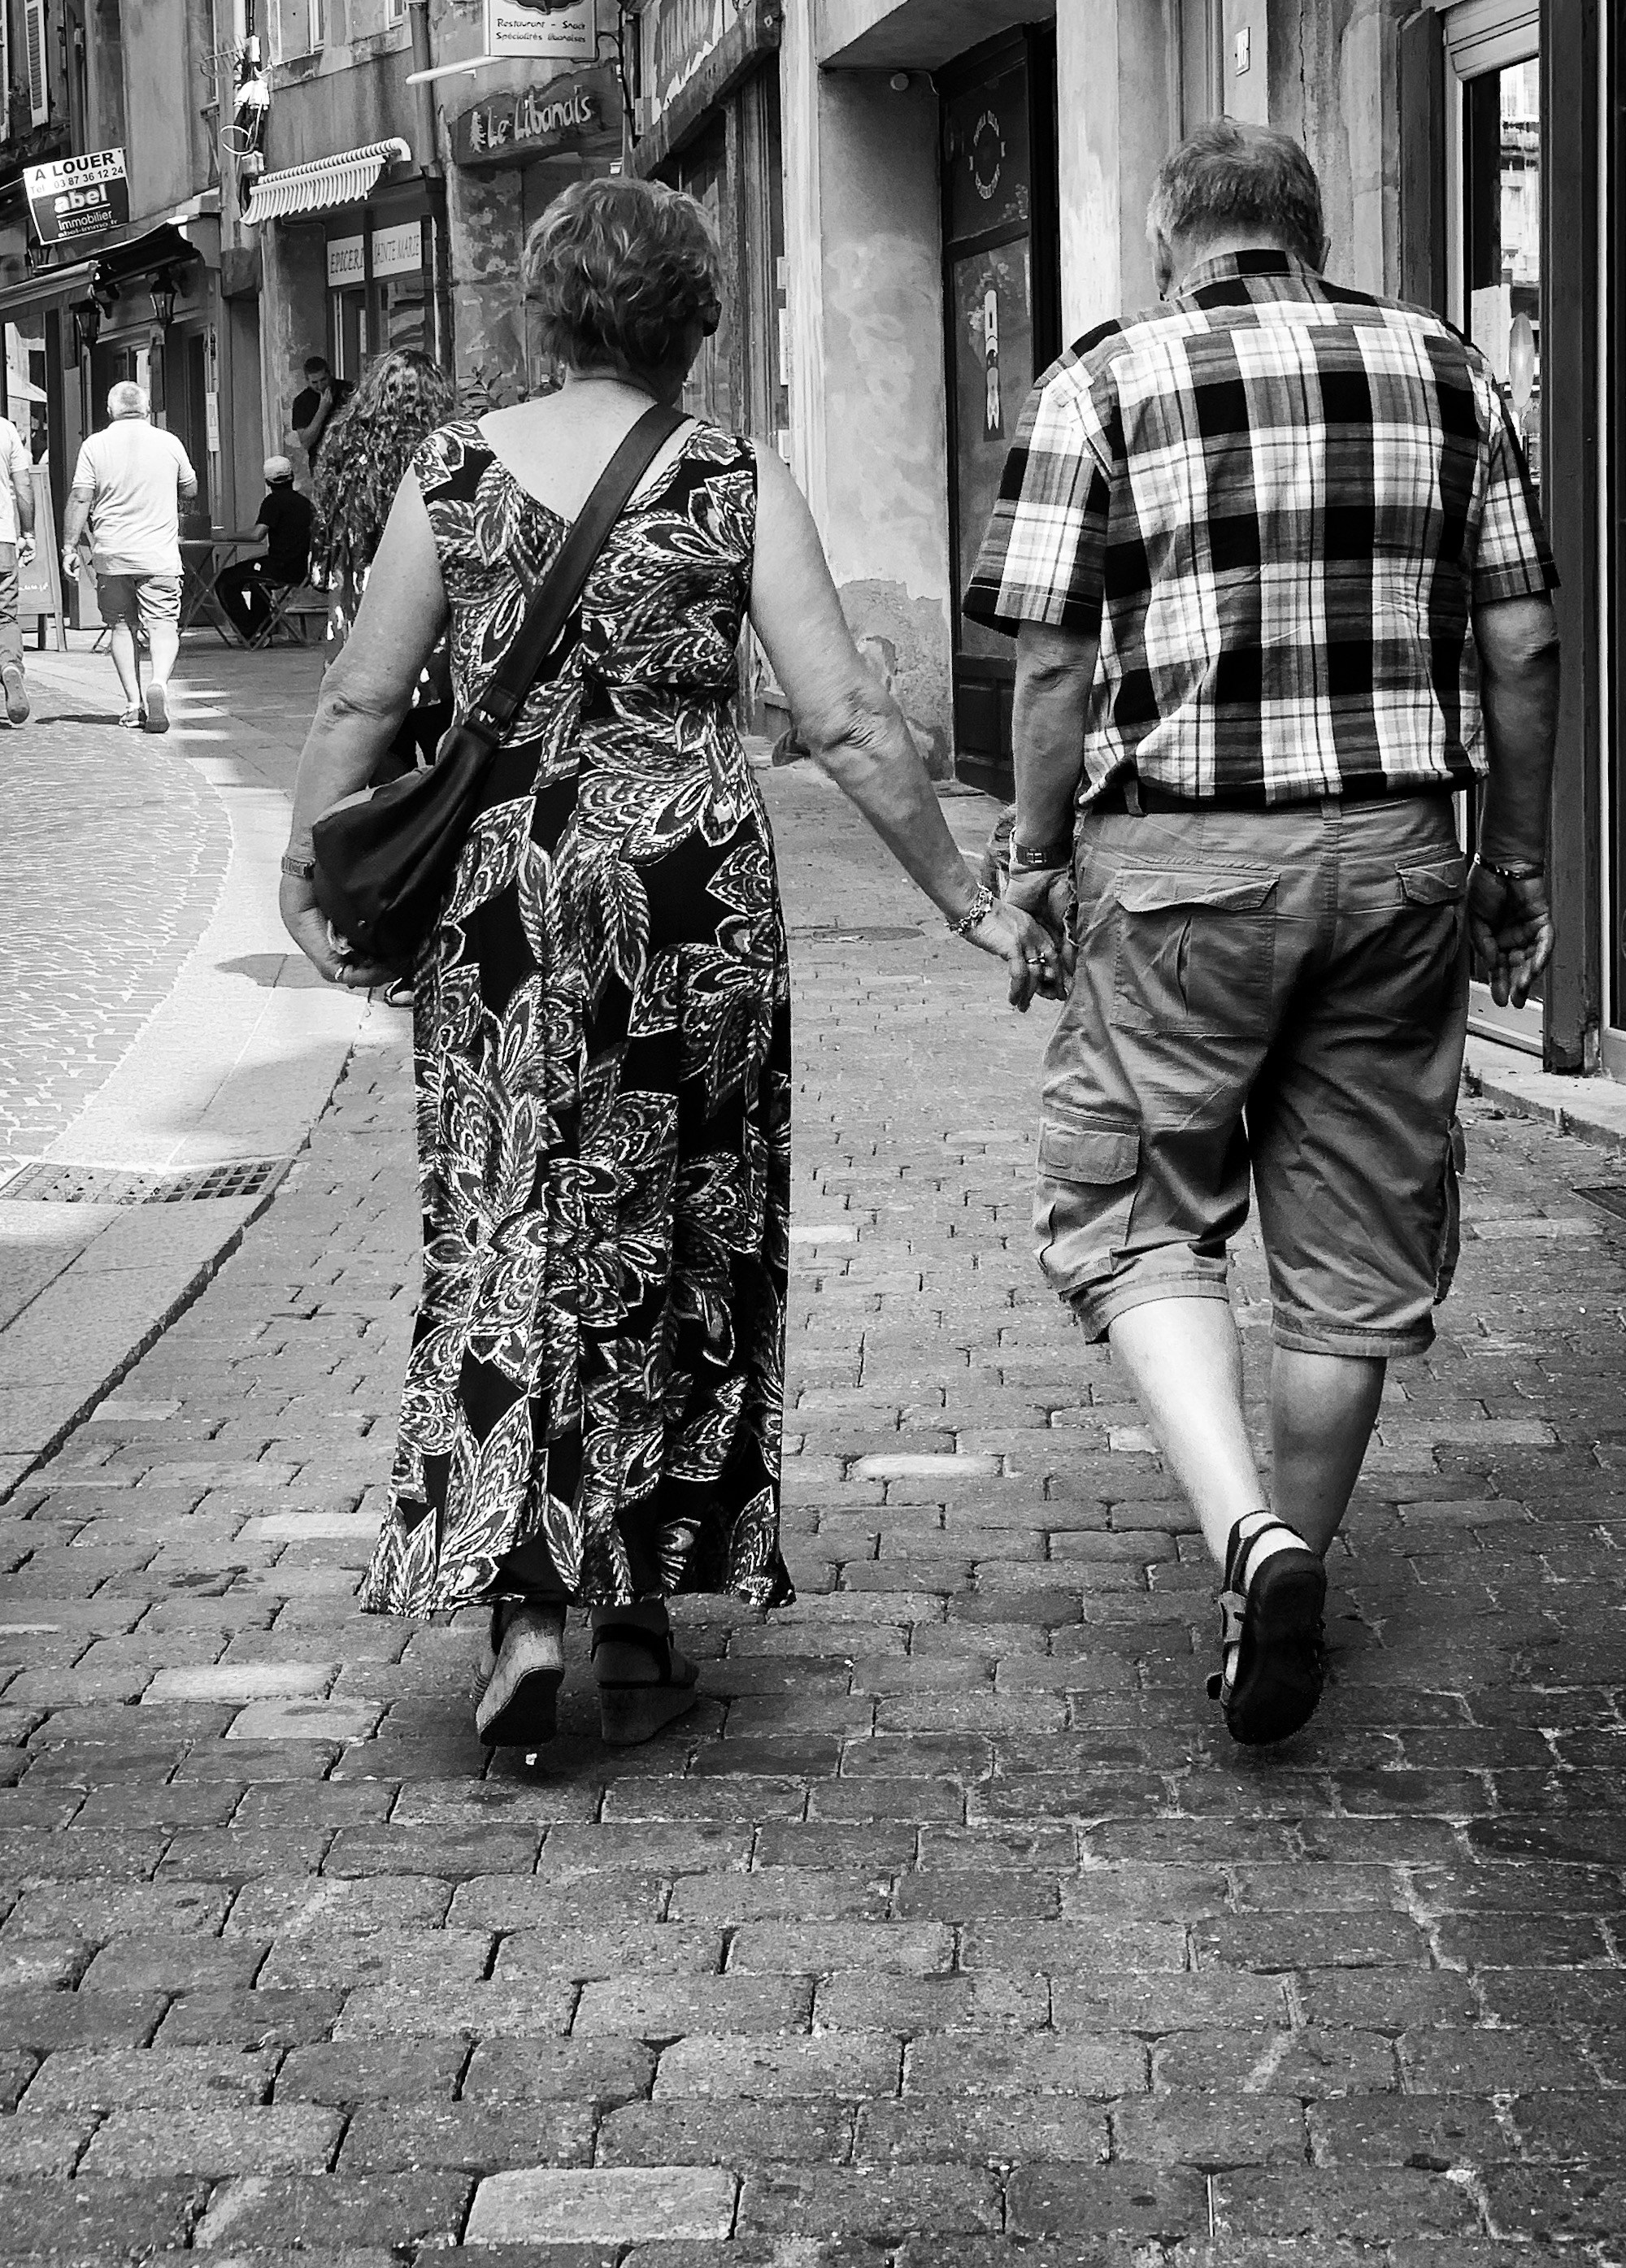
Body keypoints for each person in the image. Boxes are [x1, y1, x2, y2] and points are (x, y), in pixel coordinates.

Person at [278, 176, 1053, 1757]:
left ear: (547, 315)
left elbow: (365, 700)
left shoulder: (450, 471)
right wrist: (961, 893)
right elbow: (841, 719)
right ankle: (635, 1604)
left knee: (511, 1221)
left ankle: (522, 1603)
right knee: (672, 1224)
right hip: (690, 898)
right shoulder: (725, 473)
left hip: (506, 900)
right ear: (692, 319)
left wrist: (309, 862)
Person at [964, 121, 1561, 1749]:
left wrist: (1030, 863)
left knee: (1136, 1209)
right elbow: (1520, 635)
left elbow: (1050, 668)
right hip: (1394, 856)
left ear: (1176, 236)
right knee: (1352, 1249)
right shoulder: (1446, 371)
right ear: (1310, 230)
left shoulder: (1102, 380)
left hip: (1177, 867)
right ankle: (1284, 1578)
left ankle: (1252, 1538)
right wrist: (1512, 861)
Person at [308, 350, 455, 767]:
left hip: (363, 617)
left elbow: (324, 549)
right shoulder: (446, 453)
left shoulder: (343, 449)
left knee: (382, 760)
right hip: (430, 616)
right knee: (444, 752)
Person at [63, 382, 198, 733]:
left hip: (112, 553)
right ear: (147, 407)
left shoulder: (95, 445)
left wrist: (69, 546)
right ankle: (159, 685)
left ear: (110, 411)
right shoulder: (169, 442)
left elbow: (80, 498)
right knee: (163, 624)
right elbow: (191, 488)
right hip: (159, 554)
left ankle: (133, 703)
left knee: (121, 626)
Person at [213, 456, 315, 643]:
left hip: (278, 569)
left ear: (267, 482)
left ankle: (250, 632)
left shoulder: (273, 502)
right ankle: (262, 630)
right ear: (291, 477)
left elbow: (257, 535)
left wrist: (226, 536)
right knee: (253, 579)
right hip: (300, 570)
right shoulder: (305, 503)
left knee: (224, 579)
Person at [0, 407, 34, 726]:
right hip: (2, 542)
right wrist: (28, 532)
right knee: (4, 617)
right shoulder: (6, 430)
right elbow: (22, 485)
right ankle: (10, 666)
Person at [291, 356, 351, 478]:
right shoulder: (302, 402)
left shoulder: (347, 390)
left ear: (330, 375)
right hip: (320, 461)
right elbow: (306, 442)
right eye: (314, 383)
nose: (320, 386)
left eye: (323, 380)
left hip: (348, 456)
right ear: (307, 381)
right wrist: (322, 410)